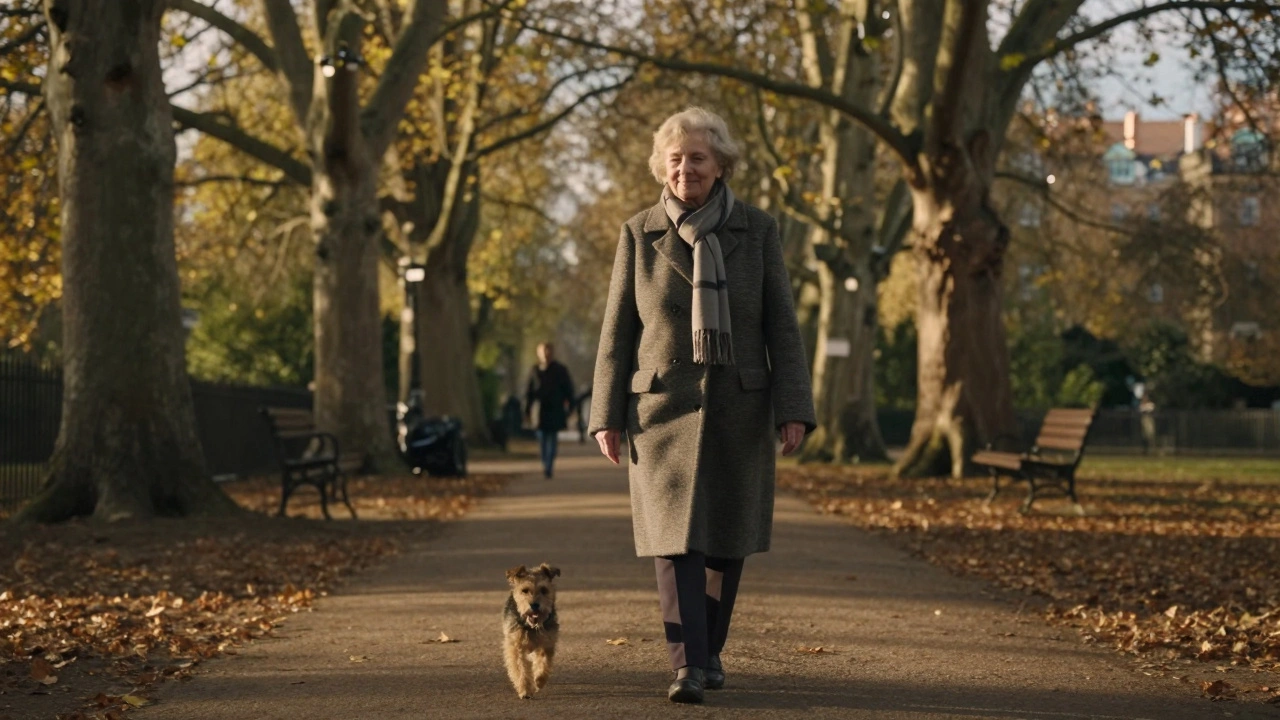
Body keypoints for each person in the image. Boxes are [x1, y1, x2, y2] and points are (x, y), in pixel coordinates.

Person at [588, 107, 815, 704]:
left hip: (739, 405)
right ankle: (688, 664)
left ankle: (709, 650)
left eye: (697, 158)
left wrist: (794, 407)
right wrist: (604, 415)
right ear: (661, 168)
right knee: (673, 540)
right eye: (675, 158)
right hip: (661, 409)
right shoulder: (638, 232)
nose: (684, 168)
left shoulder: (758, 230)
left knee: (725, 538)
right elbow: (617, 331)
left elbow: (781, 327)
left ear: (720, 167)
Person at [524, 342, 575, 478]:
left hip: (555, 409)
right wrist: (527, 411)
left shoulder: (560, 370)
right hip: (539, 411)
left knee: (552, 439)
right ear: (538, 353)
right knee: (542, 439)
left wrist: (570, 407)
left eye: (548, 351)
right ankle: (545, 462)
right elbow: (529, 393)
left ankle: (549, 465)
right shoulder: (534, 370)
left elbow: (568, 390)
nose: (546, 354)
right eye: (543, 351)